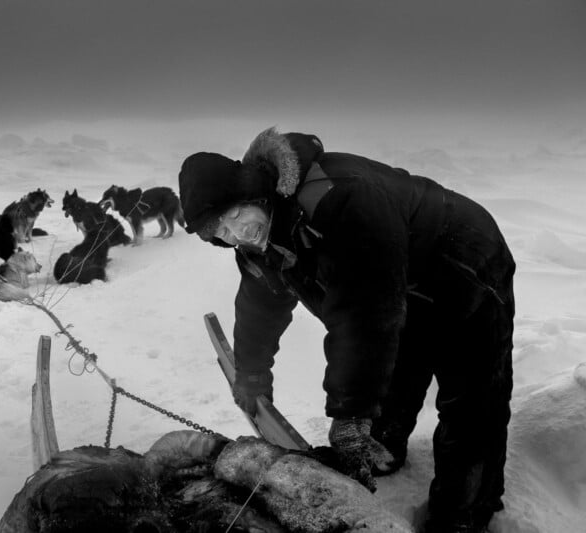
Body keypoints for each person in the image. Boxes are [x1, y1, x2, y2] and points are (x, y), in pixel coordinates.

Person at [178, 127, 515, 533]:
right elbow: (259, 305)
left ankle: (464, 513)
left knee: (471, 403)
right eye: (221, 233)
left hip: (463, 263)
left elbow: (364, 316)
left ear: (254, 192)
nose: (237, 236)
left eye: (237, 219)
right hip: (393, 289)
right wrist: (251, 371)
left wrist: (349, 415)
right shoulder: (260, 239)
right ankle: (381, 445)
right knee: (395, 366)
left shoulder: (339, 198)